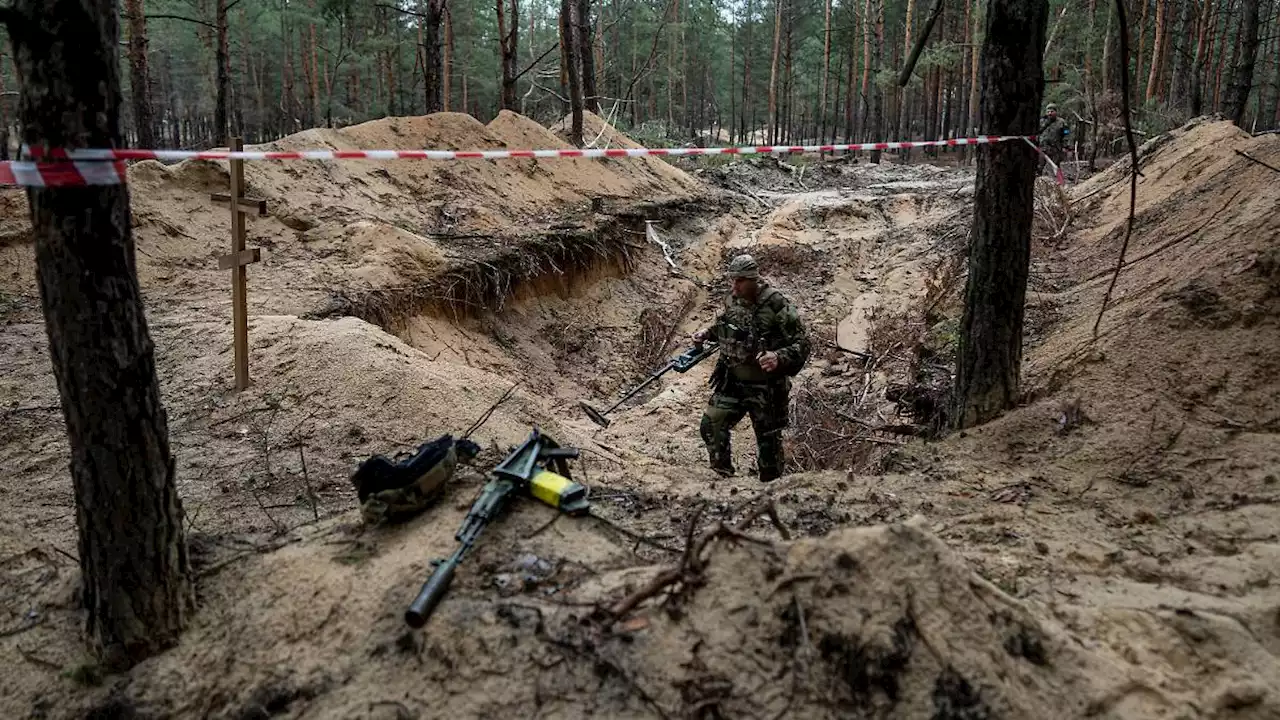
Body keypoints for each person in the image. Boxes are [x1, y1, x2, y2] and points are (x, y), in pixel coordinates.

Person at [692, 255, 810, 482]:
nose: (734, 286)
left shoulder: (776, 305)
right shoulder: (732, 299)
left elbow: (803, 343)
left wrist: (779, 357)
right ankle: (723, 479)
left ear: (754, 279)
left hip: (766, 388)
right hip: (732, 381)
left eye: (740, 281)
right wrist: (707, 333)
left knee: (768, 445)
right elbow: (727, 326)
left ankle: (770, 489)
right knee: (711, 425)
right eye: (732, 280)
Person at [1037, 103, 1070, 175]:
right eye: (1048, 112)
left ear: (1056, 112)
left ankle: (1058, 181)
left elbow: (1066, 134)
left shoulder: (1062, 122)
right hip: (1043, 147)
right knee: (1039, 166)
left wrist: (1065, 146)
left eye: (1052, 111)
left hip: (1055, 148)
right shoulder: (1042, 121)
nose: (1050, 113)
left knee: (1055, 166)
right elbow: (1037, 132)